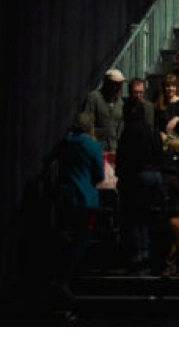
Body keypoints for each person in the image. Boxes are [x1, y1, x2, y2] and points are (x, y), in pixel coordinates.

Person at [52, 112, 104, 310]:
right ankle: (66, 279)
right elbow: (99, 175)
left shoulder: (65, 142)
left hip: (65, 196)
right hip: (85, 198)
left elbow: (49, 160)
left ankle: (62, 277)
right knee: (81, 239)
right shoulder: (92, 146)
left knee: (66, 237)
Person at [115, 97, 164, 274]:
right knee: (146, 218)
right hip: (154, 176)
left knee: (134, 218)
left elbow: (124, 159)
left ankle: (138, 257)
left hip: (137, 177)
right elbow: (159, 155)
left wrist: (121, 177)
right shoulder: (152, 131)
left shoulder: (129, 132)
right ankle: (147, 254)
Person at [83, 69, 126, 153]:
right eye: (115, 84)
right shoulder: (94, 98)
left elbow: (120, 127)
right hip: (96, 147)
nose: (118, 87)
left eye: (120, 84)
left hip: (113, 149)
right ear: (107, 83)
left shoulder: (120, 104)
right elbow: (87, 123)